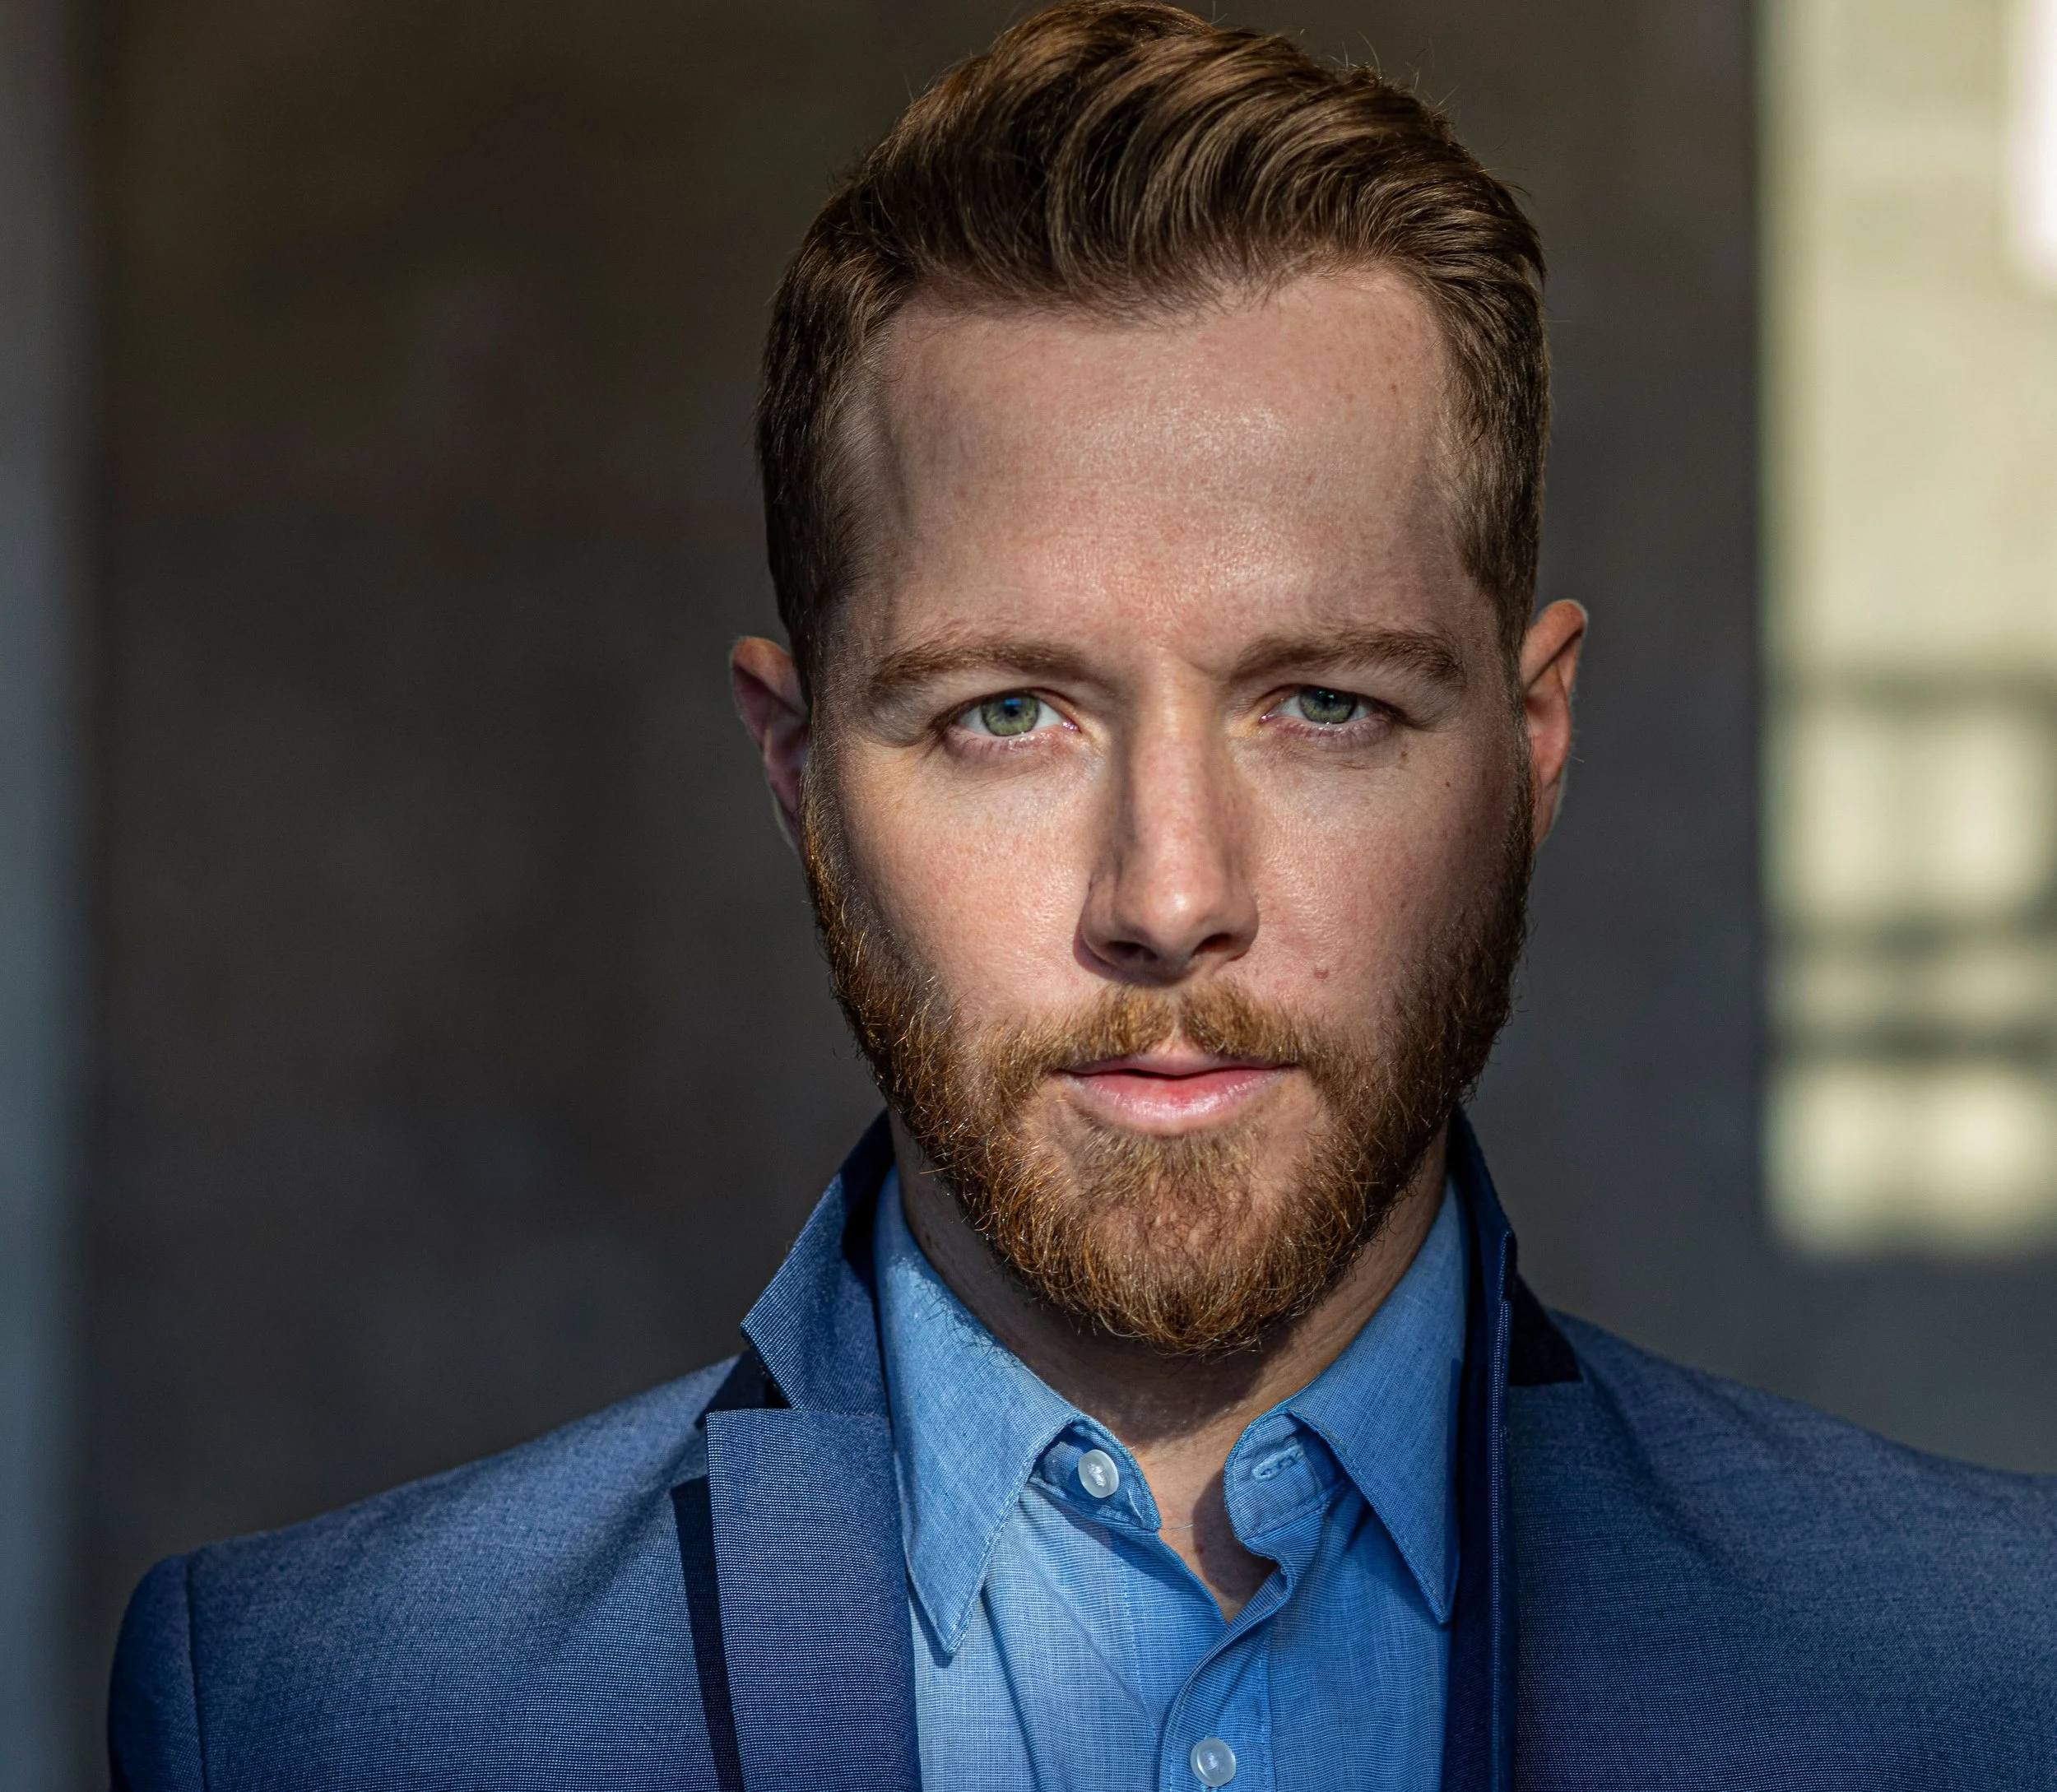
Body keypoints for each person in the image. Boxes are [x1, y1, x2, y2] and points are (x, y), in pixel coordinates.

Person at [108, 4, 2057, 1787]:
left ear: (1528, 744)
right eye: (1008, 713)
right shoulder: (316, 1711)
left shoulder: (1991, 1681)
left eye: (1323, 705)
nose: (1168, 895)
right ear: (795, 771)